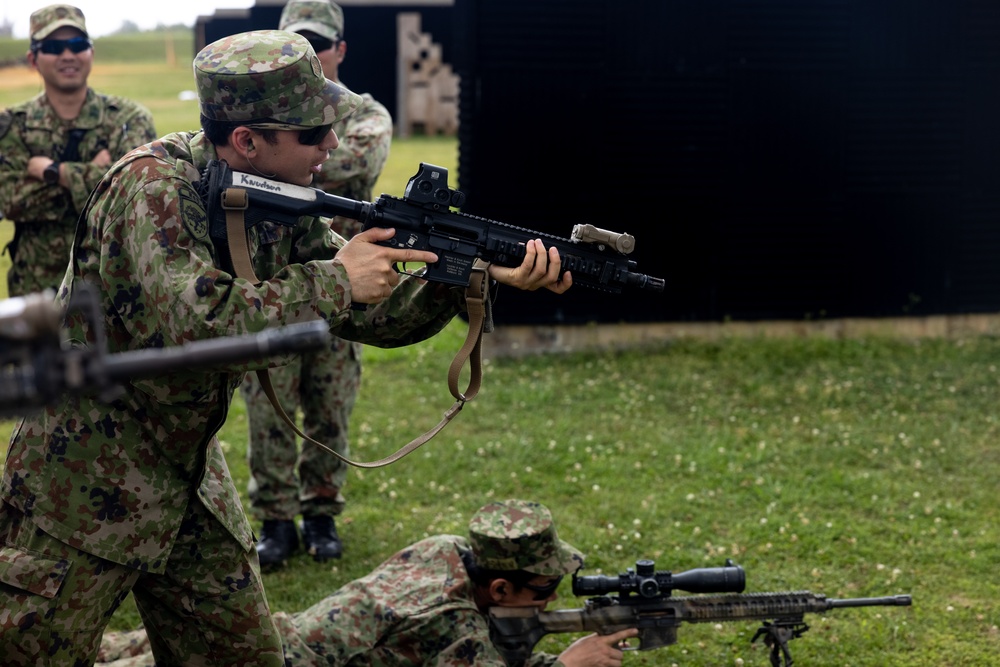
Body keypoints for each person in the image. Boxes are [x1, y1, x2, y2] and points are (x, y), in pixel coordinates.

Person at [0, 30, 570, 667]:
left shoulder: (279, 199)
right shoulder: (152, 188)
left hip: (186, 476)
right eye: (311, 133)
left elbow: (376, 317)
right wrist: (336, 279)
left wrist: (473, 275)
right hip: (83, 479)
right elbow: (201, 323)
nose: (330, 144)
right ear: (247, 140)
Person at [97, 499, 638, 667]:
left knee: (128, 648)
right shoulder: (452, 626)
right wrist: (567, 664)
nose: (551, 600)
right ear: (499, 591)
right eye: (544, 591)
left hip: (282, 632)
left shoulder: (445, 550)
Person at [240, 0, 395, 568]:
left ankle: (321, 512)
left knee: (330, 403)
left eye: (318, 42)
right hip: (273, 280)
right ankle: (276, 519)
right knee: (269, 401)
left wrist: (275, 161)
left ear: (340, 50)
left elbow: (355, 162)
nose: (310, 52)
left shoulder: (365, 112)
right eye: (296, 42)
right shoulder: (256, 114)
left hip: (345, 281)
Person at [0, 4, 156, 297]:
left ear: (91, 53)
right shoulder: (12, 126)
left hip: (115, 294)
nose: (68, 55)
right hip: (37, 294)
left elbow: (133, 197)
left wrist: (53, 172)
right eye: (54, 46)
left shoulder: (128, 119)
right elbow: (10, 200)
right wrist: (97, 177)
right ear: (33, 58)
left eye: (77, 44)